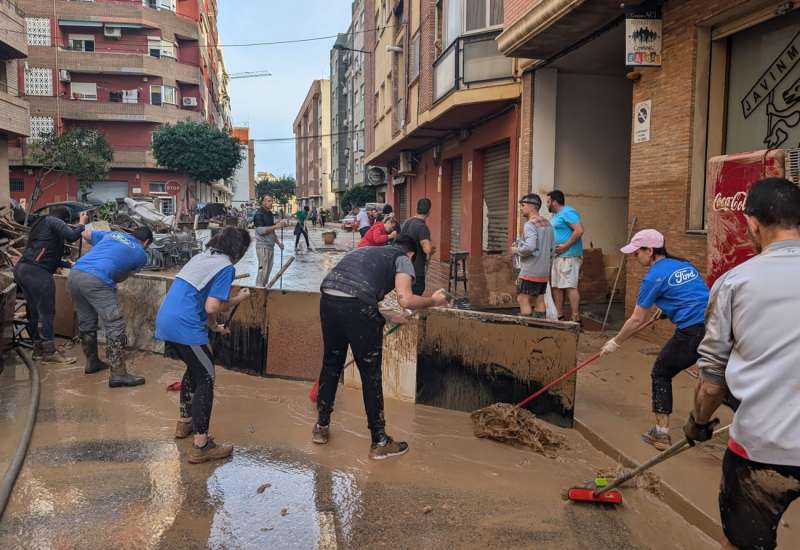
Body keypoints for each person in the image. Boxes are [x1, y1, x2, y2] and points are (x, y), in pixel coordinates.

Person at [683, 178, 800, 550]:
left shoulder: (735, 283)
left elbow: (712, 383)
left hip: (762, 451)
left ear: (752, 223)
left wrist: (698, 423)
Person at [313, 235, 449, 459]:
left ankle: (321, 427)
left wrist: (385, 315)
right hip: (356, 303)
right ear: (411, 254)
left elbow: (369, 288)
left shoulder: (366, 251)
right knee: (370, 374)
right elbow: (405, 299)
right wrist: (433, 301)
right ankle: (379, 440)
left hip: (328, 297)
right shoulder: (402, 258)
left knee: (331, 364)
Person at [600, 229, 709, 450]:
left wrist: (616, 342)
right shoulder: (684, 265)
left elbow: (636, 320)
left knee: (661, 372)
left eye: (636, 253)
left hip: (693, 331)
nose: (634, 257)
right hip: (717, 326)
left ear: (649, 250)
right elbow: (692, 295)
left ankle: (661, 434)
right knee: (720, 378)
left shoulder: (653, 277)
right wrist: (667, 311)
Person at [155, 227, 252, 464]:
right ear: (238, 250)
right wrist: (238, 299)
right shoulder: (226, 267)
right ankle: (201, 445)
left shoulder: (201, 258)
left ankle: (184, 424)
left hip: (167, 319)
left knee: (195, 369)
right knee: (206, 377)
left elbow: (204, 302)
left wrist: (214, 327)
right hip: (185, 325)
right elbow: (211, 306)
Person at [68, 225, 153, 387]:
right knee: (115, 325)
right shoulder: (141, 253)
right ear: (146, 242)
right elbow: (123, 276)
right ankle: (118, 374)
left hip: (75, 274)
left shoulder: (112, 234)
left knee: (87, 321)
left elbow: (86, 234)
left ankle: (92, 362)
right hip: (96, 279)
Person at [14, 206, 87, 365]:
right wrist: (82, 223)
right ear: (64, 220)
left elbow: (49, 257)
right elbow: (72, 236)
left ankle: (38, 350)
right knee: (46, 312)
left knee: (33, 311)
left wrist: (71, 265)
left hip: (23, 270)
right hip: (37, 272)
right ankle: (50, 352)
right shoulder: (53, 220)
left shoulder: (42, 225)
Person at [511, 194, 554, 318]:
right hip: (544, 272)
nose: (521, 209)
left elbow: (530, 247)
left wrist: (516, 250)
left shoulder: (530, 225)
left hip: (531, 271)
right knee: (539, 299)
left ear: (532, 207)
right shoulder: (548, 224)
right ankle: (540, 328)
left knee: (522, 299)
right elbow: (552, 249)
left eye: (523, 206)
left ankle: (528, 329)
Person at [547, 190, 584, 322]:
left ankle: (575, 317)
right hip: (558, 256)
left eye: (548, 201)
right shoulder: (556, 216)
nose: (547, 204)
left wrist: (566, 245)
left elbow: (579, 230)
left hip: (569, 256)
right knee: (556, 286)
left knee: (570, 286)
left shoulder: (568, 212)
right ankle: (559, 315)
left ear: (555, 202)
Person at [400, 198, 436, 296]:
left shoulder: (407, 222)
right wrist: (433, 248)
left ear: (417, 209)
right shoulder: (421, 227)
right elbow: (427, 249)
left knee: (405, 297)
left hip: (403, 268)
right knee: (414, 298)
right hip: (416, 270)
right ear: (429, 212)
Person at [253, 195, 286, 287]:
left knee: (268, 270)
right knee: (262, 270)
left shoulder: (269, 214)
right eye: (268, 201)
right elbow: (261, 231)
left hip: (270, 246)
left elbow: (272, 231)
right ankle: (258, 289)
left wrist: (279, 243)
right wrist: (276, 226)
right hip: (262, 246)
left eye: (271, 201)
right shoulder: (259, 214)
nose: (270, 203)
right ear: (263, 202)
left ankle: (263, 288)